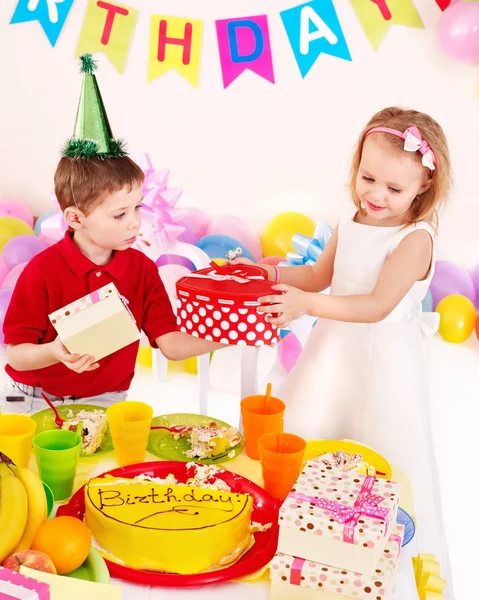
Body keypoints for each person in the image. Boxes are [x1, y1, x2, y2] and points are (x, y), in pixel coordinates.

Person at [233, 107, 453, 596]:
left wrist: (308, 305)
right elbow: (317, 278)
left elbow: (376, 306)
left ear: (423, 188)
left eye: (393, 189)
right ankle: (309, 545)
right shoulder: (353, 219)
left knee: (379, 454)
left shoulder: (415, 239)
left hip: (381, 362)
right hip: (333, 349)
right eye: (367, 177)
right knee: (311, 433)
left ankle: (374, 558)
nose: (375, 195)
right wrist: (270, 274)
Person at [1, 55, 223, 415]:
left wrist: (232, 335)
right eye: (120, 214)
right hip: (28, 395)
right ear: (75, 218)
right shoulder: (41, 272)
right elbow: (18, 355)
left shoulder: (141, 271)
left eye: (137, 208)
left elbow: (170, 344)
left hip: (102, 399)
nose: (134, 223)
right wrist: (53, 352)